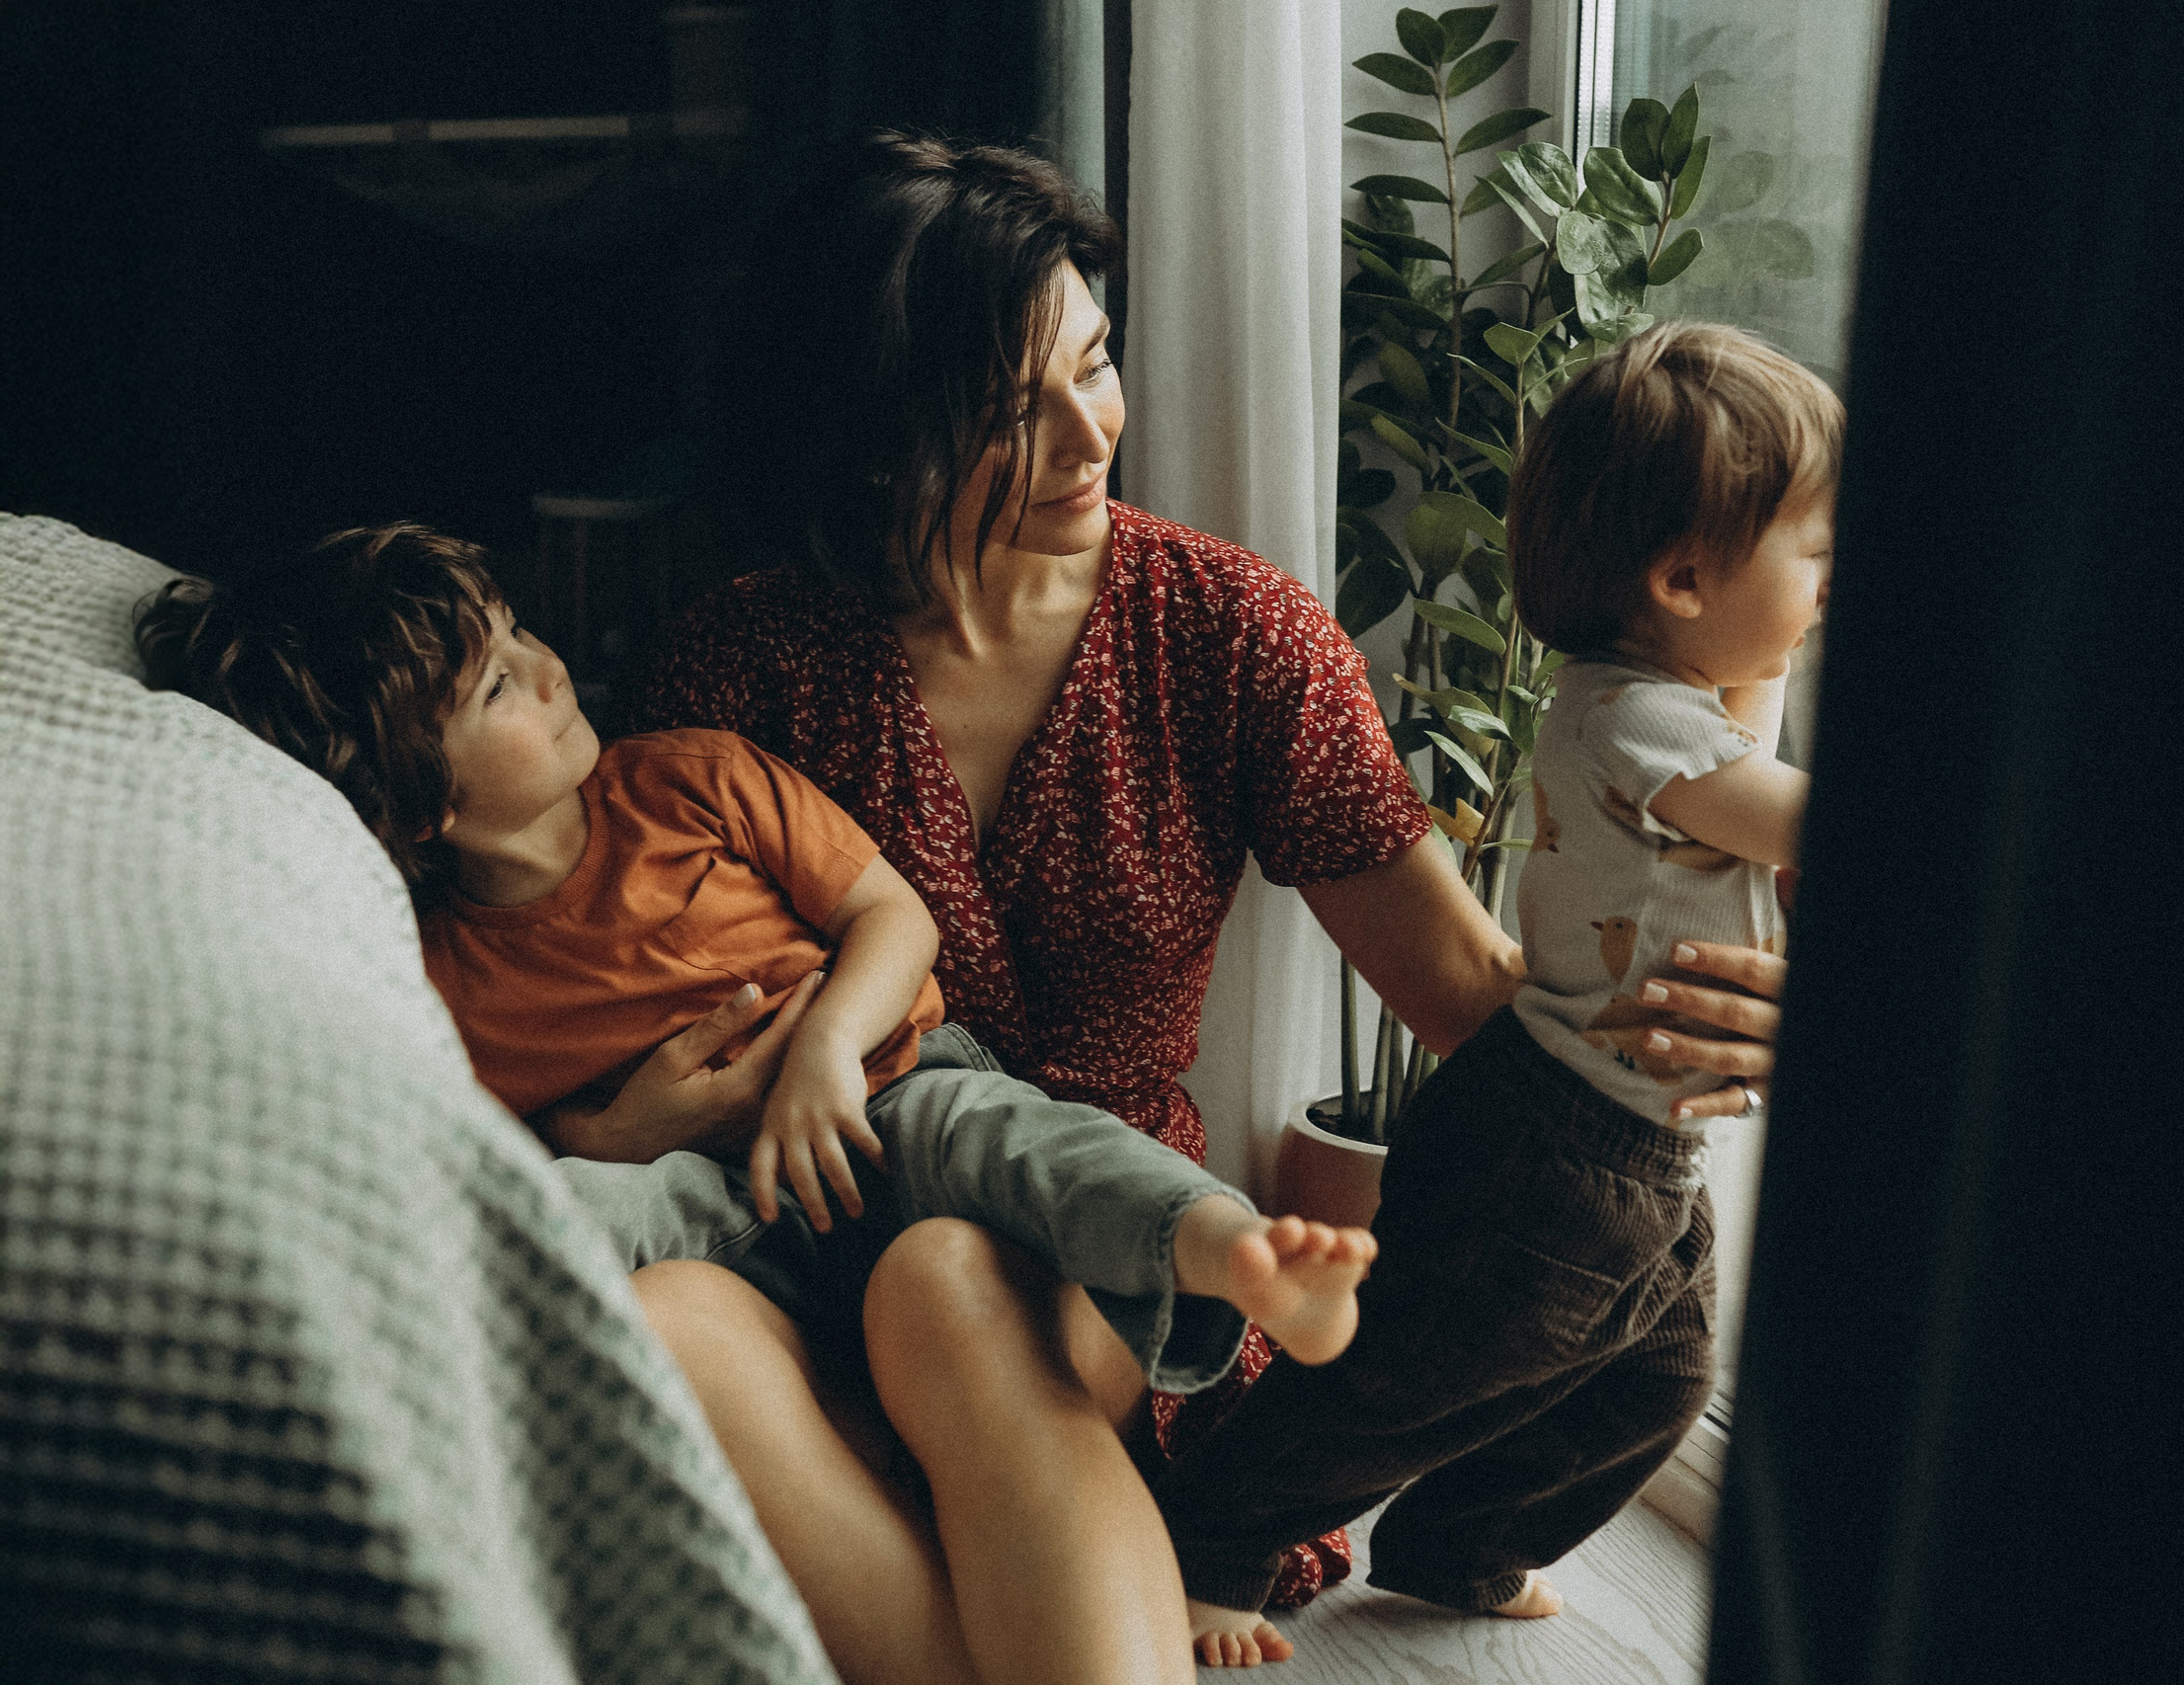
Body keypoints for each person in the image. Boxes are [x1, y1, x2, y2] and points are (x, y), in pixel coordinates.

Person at [624, 132, 1788, 1681]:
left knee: (951, 1275)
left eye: (1095, 363)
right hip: (806, 1228)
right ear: (878, 429)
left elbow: (1467, 992)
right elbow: (635, 994)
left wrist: (1673, 1027)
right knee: (667, 1312)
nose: (1090, 432)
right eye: (1010, 409)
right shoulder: (739, 665)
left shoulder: (1229, 631)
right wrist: (634, 1117)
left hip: (1100, 1254)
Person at [134, 522, 1379, 1684]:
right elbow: (482, 1170)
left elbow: (891, 918)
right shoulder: (437, 976)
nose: (548, 663)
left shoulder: (690, 777)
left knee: (1003, 1153)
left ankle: (1229, 1247)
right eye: (498, 683)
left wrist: (827, 1046)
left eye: (519, 629)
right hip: (728, 1216)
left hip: (887, 1097)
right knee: (557, 1219)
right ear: (422, 806)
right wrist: (616, 1136)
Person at [1151, 321, 1839, 1665]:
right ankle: (1212, 1534)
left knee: (1659, 1379)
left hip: (1631, 1145)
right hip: (1561, 1151)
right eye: (1815, 553)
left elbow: (1748, 708)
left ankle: (1462, 1541)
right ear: (1683, 579)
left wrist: (1781, 628)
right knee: (1412, 1375)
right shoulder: (1632, 721)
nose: (1830, 581)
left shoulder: (1664, 696)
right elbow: (1796, 810)